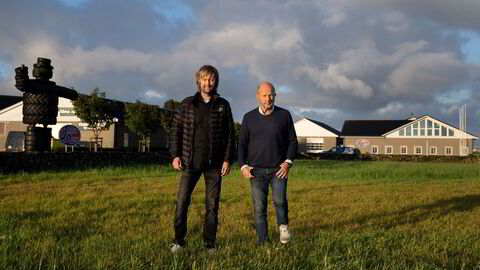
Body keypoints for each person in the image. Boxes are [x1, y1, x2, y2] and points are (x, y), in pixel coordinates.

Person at [169, 65, 235, 252]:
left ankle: (209, 244)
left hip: (214, 166)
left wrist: (227, 159)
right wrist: (175, 155)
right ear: (198, 81)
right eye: (204, 79)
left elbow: (230, 135)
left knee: (212, 206)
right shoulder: (187, 104)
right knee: (182, 202)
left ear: (216, 81)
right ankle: (179, 241)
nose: (208, 83)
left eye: (211, 79)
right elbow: (176, 131)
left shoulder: (223, 105)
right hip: (190, 163)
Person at [238, 81, 298, 245]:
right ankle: (262, 241)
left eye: (271, 94)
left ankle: (283, 227)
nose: (268, 98)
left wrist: (287, 163)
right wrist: (243, 166)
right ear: (258, 96)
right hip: (255, 172)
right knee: (259, 209)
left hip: (278, 170)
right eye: (264, 95)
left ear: (275, 96)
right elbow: (242, 144)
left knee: (280, 201)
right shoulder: (248, 117)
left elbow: (293, 142)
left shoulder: (284, 115)